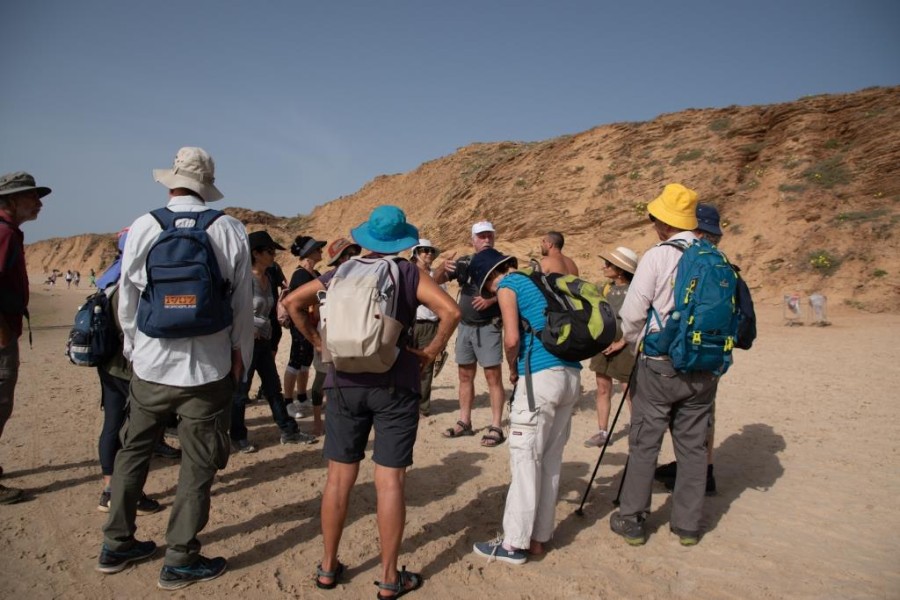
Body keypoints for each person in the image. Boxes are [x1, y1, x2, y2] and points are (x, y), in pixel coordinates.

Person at [96, 146, 254, 589]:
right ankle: (180, 557)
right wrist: (239, 352)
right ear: (208, 184)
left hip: (150, 364)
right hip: (207, 368)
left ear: (171, 181)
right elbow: (241, 304)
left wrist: (133, 346)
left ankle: (116, 543)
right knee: (198, 464)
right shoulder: (229, 228)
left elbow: (127, 299)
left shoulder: (144, 225)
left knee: (134, 452)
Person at [284, 205, 460, 597]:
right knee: (390, 480)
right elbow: (450, 311)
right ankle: (388, 578)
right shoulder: (408, 272)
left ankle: (328, 568)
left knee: (338, 478)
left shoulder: (340, 271)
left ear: (365, 238)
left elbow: (293, 303)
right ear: (402, 241)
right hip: (394, 383)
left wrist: (318, 344)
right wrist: (430, 353)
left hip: (343, 382)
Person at [610, 183, 718, 547]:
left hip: (660, 362)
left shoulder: (658, 255)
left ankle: (632, 519)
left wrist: (625, 339)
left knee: (645, 442)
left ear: (664, 223)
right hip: (704, 365)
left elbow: (633, 312)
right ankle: (687, 526)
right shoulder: (712, 254)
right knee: (692, 447)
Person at [468, 248, 582, 565]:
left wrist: (513, 368)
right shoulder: (540, 279)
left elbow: (511, 338)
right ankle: (537, 538)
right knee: (550, 461)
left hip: (540, 378)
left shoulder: (508, 286)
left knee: (525, 459)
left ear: (489, 279)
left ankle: (513, 544)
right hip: (571, 375)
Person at [654, 202, 755, 496]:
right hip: (716, 353)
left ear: (695, 230)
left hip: (681, 351)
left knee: (678, 414)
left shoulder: (688, 263)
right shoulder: (726, 268)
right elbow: (746, 321)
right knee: (704, 412)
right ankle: (703, 468)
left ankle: (695, 472)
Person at [94, 229, 167, 515]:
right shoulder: (133, 282)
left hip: (109, 366)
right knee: (136, 433)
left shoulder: (108, 281)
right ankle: (130, 493)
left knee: (112, 425)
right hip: (131, 369)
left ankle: (109, 489)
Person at [230, 230, 316, 453]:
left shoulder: (268, 278)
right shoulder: (242, 280)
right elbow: (234, 312)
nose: (273, 255)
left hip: (263, 343)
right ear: (256, 253)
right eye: (269, 251)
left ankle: (289, 431)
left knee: (272, 388)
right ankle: (238, 436)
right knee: (240, 393)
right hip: (245, 344)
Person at [0, 171, 52, 505]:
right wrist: (4, 334)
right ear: (11, 200)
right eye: (32, 196)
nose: (39, 203)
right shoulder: (3, 234)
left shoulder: (9, 233)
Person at [436, 221, 507, 447]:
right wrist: (440, 267)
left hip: (489, 325)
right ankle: (464, 421)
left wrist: (492, 300)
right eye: (481, 236)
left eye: (489, 235)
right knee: (465, 376)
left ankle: (496, 425)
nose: (486, 239)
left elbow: (515, 290)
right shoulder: (464, 262)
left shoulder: (503, 262)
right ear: (473, 240)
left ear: (493, 238)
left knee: (493, 377)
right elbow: (435, 281)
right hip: (465, 326)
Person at [306, 237, 361, 435]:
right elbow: (298, 305)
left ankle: (338, 421)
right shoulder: (326, 280)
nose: (353, 259)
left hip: (350, 337)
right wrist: (316, 340)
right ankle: (318, 423)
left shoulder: (359, 279)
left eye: (355, 254)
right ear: (338, 258)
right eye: (348, 255)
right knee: (322, 379)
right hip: (328, 336)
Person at [584, 246, 638, 448]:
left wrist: (620, 343)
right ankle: (602, 432)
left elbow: (638, 320)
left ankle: (637, 431)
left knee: (628, 389)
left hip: (626, 343)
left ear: (621, 269)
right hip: (603, 342)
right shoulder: (604, 288)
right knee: (602, 387)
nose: (604, 267)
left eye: (609, 264)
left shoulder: (635, 291)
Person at [283, 235, 327, 419]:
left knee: (305, 362)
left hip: (312, 324)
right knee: (295, 360)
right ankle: (287, 402)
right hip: (300, 325)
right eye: (317, 249)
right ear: (309, 254)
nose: (321, 252)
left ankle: (301, 397)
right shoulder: (300, 275)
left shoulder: (315, 275)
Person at [409, 239, 447, 417]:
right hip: (409, 323)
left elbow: (444, 305)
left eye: (431, 251)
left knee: (426, 365)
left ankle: (422, 407)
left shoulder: (438, 277)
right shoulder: (408, 273)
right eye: (424, 250)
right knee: (403, 362)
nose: (429, 254)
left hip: (430, 325)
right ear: (416, 253)